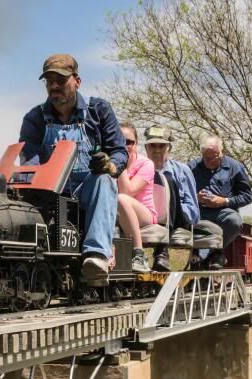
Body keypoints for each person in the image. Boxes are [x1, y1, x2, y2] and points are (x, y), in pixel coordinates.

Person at [19, 54, 128, 280]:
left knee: (105, 180)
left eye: (61, 80)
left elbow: (119, 151)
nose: (54, 86)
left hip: (89, 188)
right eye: (49, 81)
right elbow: (29, 159)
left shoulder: (99, 110)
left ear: (77, 81)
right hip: (52, 191)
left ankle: (96, 254)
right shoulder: (35, 118)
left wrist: (110, 165)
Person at [189, 135, 252, 269]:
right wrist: (196, 197)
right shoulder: (191, 167)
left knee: (234, 221)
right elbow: (180, 194)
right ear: (202, 153)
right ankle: (204, 255)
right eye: (206, 158)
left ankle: (211, 253)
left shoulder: (235, 167)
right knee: (181, 217)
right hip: (198, 212)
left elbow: (247, 196)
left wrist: (224, 201)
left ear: (221, 152)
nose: (210, 161)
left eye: (214, 157)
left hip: (223, 212)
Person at [142, 125, 201, 271]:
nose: (156, 150)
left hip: (179, 219)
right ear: (146, 148)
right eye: (152, 146)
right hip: (147, 215)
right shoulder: (139, 168)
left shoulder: (182, 171)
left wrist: (172, 212)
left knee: (165, 180)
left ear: (169, 148)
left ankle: (161, 252)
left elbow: (193, 209)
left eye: (161, 146)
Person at [117, 122, 155, 273]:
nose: (124, 146)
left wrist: (120, 166)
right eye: (119, 141)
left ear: (136, 143)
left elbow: (128, 191)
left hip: (144, 214)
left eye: (129, 142)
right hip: (116, 211)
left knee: (121, 198)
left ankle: (139, 254)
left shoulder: (146, 164)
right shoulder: (107, 162)